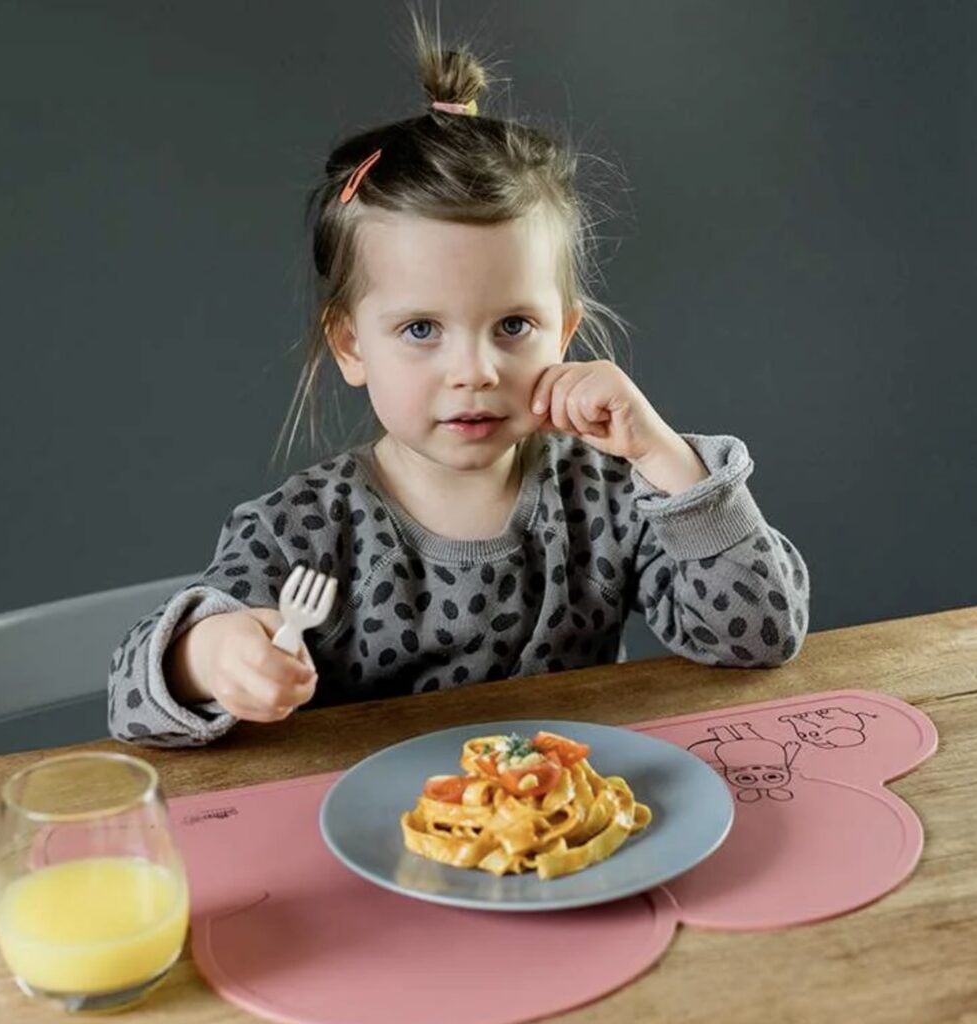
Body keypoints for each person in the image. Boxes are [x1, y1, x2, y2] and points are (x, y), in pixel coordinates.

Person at [108, 20, 809, 749]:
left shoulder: (608, 496)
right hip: (377, 850)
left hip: (567, 834)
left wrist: (665, 458)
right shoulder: (303, 532)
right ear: (351, 345)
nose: (474, 371)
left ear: (564, 334)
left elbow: (762, 633)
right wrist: (210, 655)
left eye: (513, 326)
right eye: (420, 330)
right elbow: (129, 703)